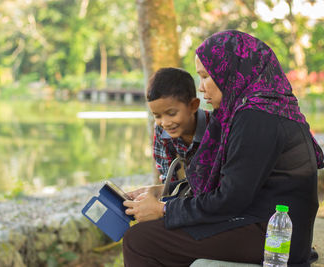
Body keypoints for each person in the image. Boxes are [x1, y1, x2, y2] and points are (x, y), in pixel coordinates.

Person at [122, 30, 323, 267]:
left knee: (140, 240)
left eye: (206, 76)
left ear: (231, 71)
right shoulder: (259, 108)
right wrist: (163, 192)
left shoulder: (257, 118)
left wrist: (165, 210)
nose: (201, 88)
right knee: (153, 234)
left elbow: (230, 197)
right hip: (260, 222)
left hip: (272, 235)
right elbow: (230, 182)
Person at [127, 67, 210, 200]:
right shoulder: (161, 131)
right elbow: (168, 177)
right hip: (188, 192)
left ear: (193, 105)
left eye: (171, 114)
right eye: (157, 116)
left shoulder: (214, 127)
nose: (165, 123)